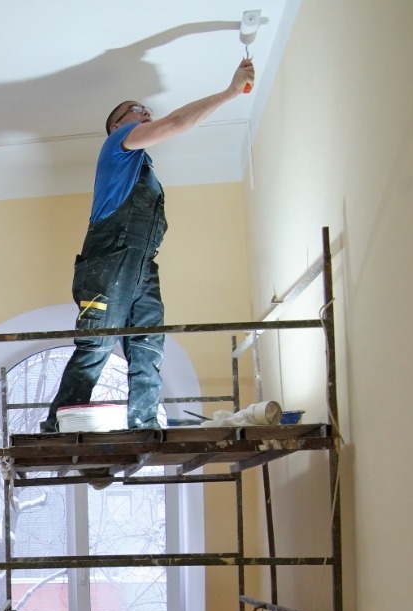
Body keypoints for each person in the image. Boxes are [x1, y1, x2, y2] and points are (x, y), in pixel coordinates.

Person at [42, 58, 256, 433]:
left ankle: (144, 426)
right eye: (137, 109)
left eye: (146, 110)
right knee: (97, 345)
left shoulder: (144, 170)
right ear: (116, 125)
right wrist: (230, 92)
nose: (146, 113)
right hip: (108, 262)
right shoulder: (118, 145)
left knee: (148, 346)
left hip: (141, 266)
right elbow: (175, 123)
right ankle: (56, 429)